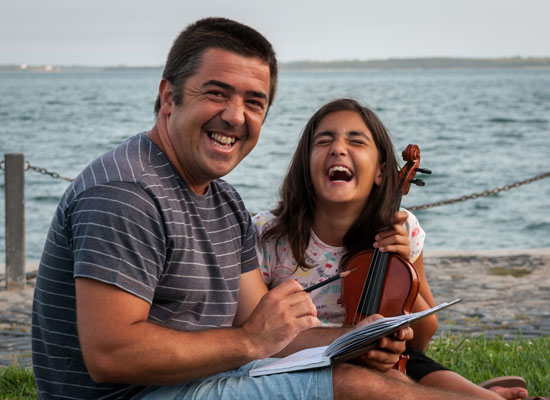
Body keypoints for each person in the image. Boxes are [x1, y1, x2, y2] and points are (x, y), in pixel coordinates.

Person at [32, 17, 482, 400]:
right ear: (169, 97)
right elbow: (110, 354)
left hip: (201, 380)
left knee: (358, 374)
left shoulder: (224, 201)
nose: (235, 115)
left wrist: (353, 340)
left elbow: (262, 327)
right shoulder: (127, 190)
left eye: (254, 101)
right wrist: (248, 341)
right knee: (349, 387)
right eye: (216, 92)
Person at [254, 98, 529, 400]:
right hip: (303, 365)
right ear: (306, 166)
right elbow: (255, 335)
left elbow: (421, 338)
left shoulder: (401, 227)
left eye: (356, 141)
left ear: (381, 172)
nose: (338, 148)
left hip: (392, 363)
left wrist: (402, 263)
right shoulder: (268, 235)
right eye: (324, 140)